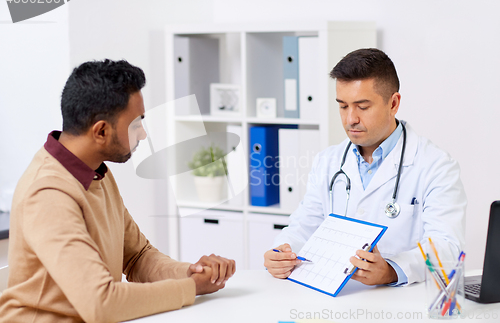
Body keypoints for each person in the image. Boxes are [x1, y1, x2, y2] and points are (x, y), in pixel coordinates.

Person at [0, 59, 236, 322]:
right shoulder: (47, 193)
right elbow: (101, 303)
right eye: (135, 124)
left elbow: (138, 256)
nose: (143, 134)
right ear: (101, 130)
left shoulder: (96, 172)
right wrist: (191, 289)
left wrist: (191, 273)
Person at [264, 48, 465, 286]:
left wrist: (392, 270)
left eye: (362, 106)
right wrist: (281, 253)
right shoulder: (328, 161)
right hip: (336, 298)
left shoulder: (436, 165)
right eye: (343, 106)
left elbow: (448, 247)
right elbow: (304, 226)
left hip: (403, 302)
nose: (351, 119)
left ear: (393, 103)